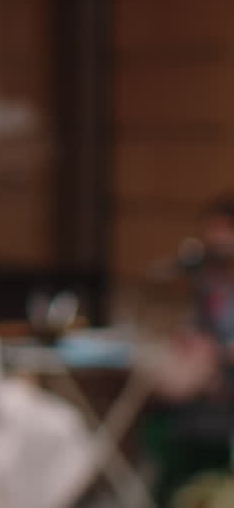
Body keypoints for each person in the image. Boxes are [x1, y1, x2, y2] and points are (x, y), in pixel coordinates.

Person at [142, 193, 234, 502]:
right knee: (156, 411)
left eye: (225, 231)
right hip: (200, 388)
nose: (216, 240)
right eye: (213, 231)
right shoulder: (207, 283)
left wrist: (218, 354)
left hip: (221, 387)